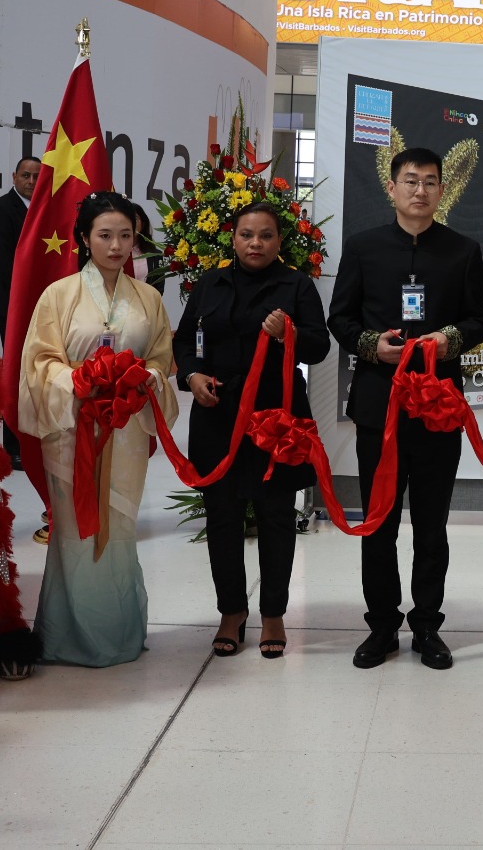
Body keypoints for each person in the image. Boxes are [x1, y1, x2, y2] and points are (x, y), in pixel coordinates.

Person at [327, 146, 483, 670]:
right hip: (381, 405)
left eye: (430, 181)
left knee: (432, 523)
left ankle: (427, 626)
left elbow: (477, 321)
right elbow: (341, 319)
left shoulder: (463, 251)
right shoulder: (363, 247)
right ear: (392, 187)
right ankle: (380, 627)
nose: (420, 190)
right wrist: (375, 345)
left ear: (443, 190)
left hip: (439, 406)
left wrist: (448, 340)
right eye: (411, 180)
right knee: (379, 521)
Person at [18, 191, 178, 666]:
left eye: (125, 236)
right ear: (85, 238)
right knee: (74, 528)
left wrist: (139, 378)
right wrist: (78, 380)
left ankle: (119, 632)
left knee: (120, 524)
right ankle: (69, 636)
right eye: (105, 235)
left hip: (124, 429)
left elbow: (160, 361)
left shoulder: (148, 298)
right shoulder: (59, 296)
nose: (116, 246)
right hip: (72, 429)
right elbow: (39, 361)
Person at [174, 202, 330, 659]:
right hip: (216, 415)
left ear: (280, 241)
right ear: (233, 239)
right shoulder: (209, 283)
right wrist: (190, 375)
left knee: (276, 517)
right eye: (246, 235)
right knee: (222, 515)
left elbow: (319, 346)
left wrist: (289, 333)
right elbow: (185, 340)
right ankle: (231, 612)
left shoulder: (296, 285)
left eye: (265, 235)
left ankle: (275, 613)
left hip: (273, 420)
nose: (255, 243)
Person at [0, 156, 39, 473]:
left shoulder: (47, 210)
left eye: (36, 176)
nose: (31, 181)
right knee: (17, 374)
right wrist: (30, 297)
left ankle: (38, 438)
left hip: (47, 306)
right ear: (14, 176)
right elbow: (4, 263)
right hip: (16, 305)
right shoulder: (0, 209)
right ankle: (13, 446)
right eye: (25, 175)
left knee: (41, 372)